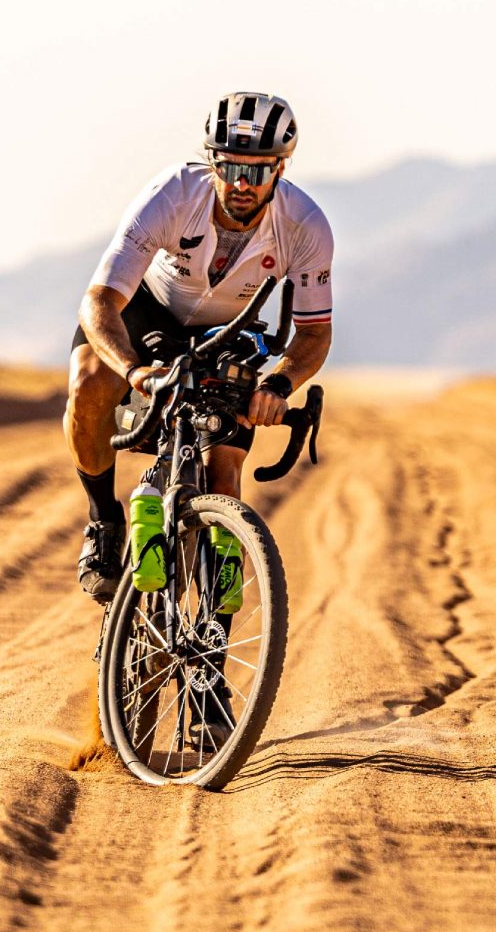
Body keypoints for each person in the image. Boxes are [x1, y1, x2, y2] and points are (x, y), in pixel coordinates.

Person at [64, 91, 334, 603]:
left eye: (258, 172)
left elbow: (315, 332)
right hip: (151, 314)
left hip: (231, 333)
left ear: (281, 169)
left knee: (225, 471)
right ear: (210, 160)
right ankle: (104, 519)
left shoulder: (305, 226)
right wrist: (133, 372)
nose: (241, 184)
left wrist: (280, 383)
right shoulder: (171, 194)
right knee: (89, 380)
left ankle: (213, 636)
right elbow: (99, 302)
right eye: (229, 167)